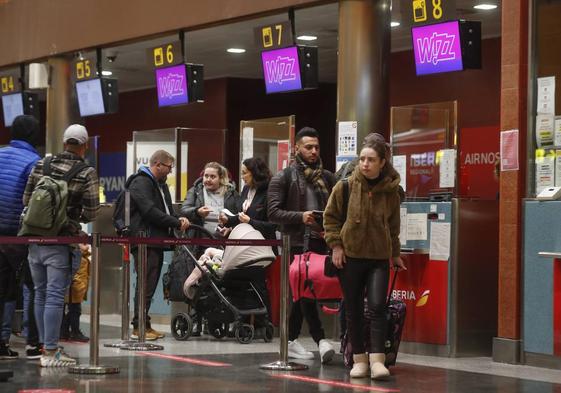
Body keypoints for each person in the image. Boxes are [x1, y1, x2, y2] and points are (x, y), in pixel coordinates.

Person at [324, 141, 406, 380]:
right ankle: (359, 359)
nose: (365, 164)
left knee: (378, 307)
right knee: (353, 309)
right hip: (351, 257)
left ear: (382, 162)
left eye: (371, 160)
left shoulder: (391, 191)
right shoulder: (345, 186)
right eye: (362, 159)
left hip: (379, 258)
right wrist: (336, 246)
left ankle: (378, 360)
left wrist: (395, 254)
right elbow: (330, 218)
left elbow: (393, 227)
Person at [23, 124, 99, 367]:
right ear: (84, 145)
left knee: (40, 293)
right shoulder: (86, 171)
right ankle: (52, 351)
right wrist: (72, 216)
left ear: (64, 142)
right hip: (61, 241)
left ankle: (45, 346)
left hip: (34, 240)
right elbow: (92, 211)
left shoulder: (40, 165)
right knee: (55, 296)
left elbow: (26, 199)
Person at [267, 127, 336, 363]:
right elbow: (273, 213)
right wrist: (301, 216)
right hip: (294, 244)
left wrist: (329, 229)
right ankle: (320, 339)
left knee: (305, 291)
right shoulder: (283, 177)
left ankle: (291, 339)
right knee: (303, 289)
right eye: (308, 147)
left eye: (316, 147)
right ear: (296, 148)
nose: (314, 151)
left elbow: (336, 209)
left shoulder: (327, 177)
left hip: (320, 242)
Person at [127, 150, 189, 340]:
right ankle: (138, 327)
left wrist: (179, 219)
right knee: (145, 283)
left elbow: (167, 210)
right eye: (169, 167)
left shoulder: (161, 185)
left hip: (157, 241)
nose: (170, 171)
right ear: (158, 164)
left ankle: (145, 323)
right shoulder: (141, 182)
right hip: (145, 240)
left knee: (150, 283)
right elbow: (149, 211)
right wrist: (175, 222)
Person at [0, 115, 42, 361]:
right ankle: (32, 341)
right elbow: (32, 203)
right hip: (19, 235)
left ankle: (2, 341)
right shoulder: (34, 162)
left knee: (2, 289)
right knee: (30, 286)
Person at [219, 157, 276, 326]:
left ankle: (264, 321)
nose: (242, 176)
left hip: (261, 248)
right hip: (242, 245)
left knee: (258, 284)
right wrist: (228, 222)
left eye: (245, 173)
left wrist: (250, 221)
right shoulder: (245, 190)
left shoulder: (269, 192)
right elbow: (240, 216)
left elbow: (272, 225)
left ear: (255, 173)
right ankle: (243, 318)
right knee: (240, 282)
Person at [181, 162, 239, 242]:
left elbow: (239, 216)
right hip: (198, 240)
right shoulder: (195, 191)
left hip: (223, 241)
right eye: (206, 176)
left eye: (213, 177)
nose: (208, 179)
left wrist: (230, 227)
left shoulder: (231, 193)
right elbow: (184, 210)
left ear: (220, 178)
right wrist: (197, 211)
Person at [60, 243, 90, 342]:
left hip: (78, 288)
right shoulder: (78, 255)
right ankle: (74, 332)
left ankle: (65, 331)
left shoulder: (83, 256)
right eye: (84, 243)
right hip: (75, 288)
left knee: (72, 310)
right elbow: (75, 273)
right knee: (74, 310)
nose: (87, 246)